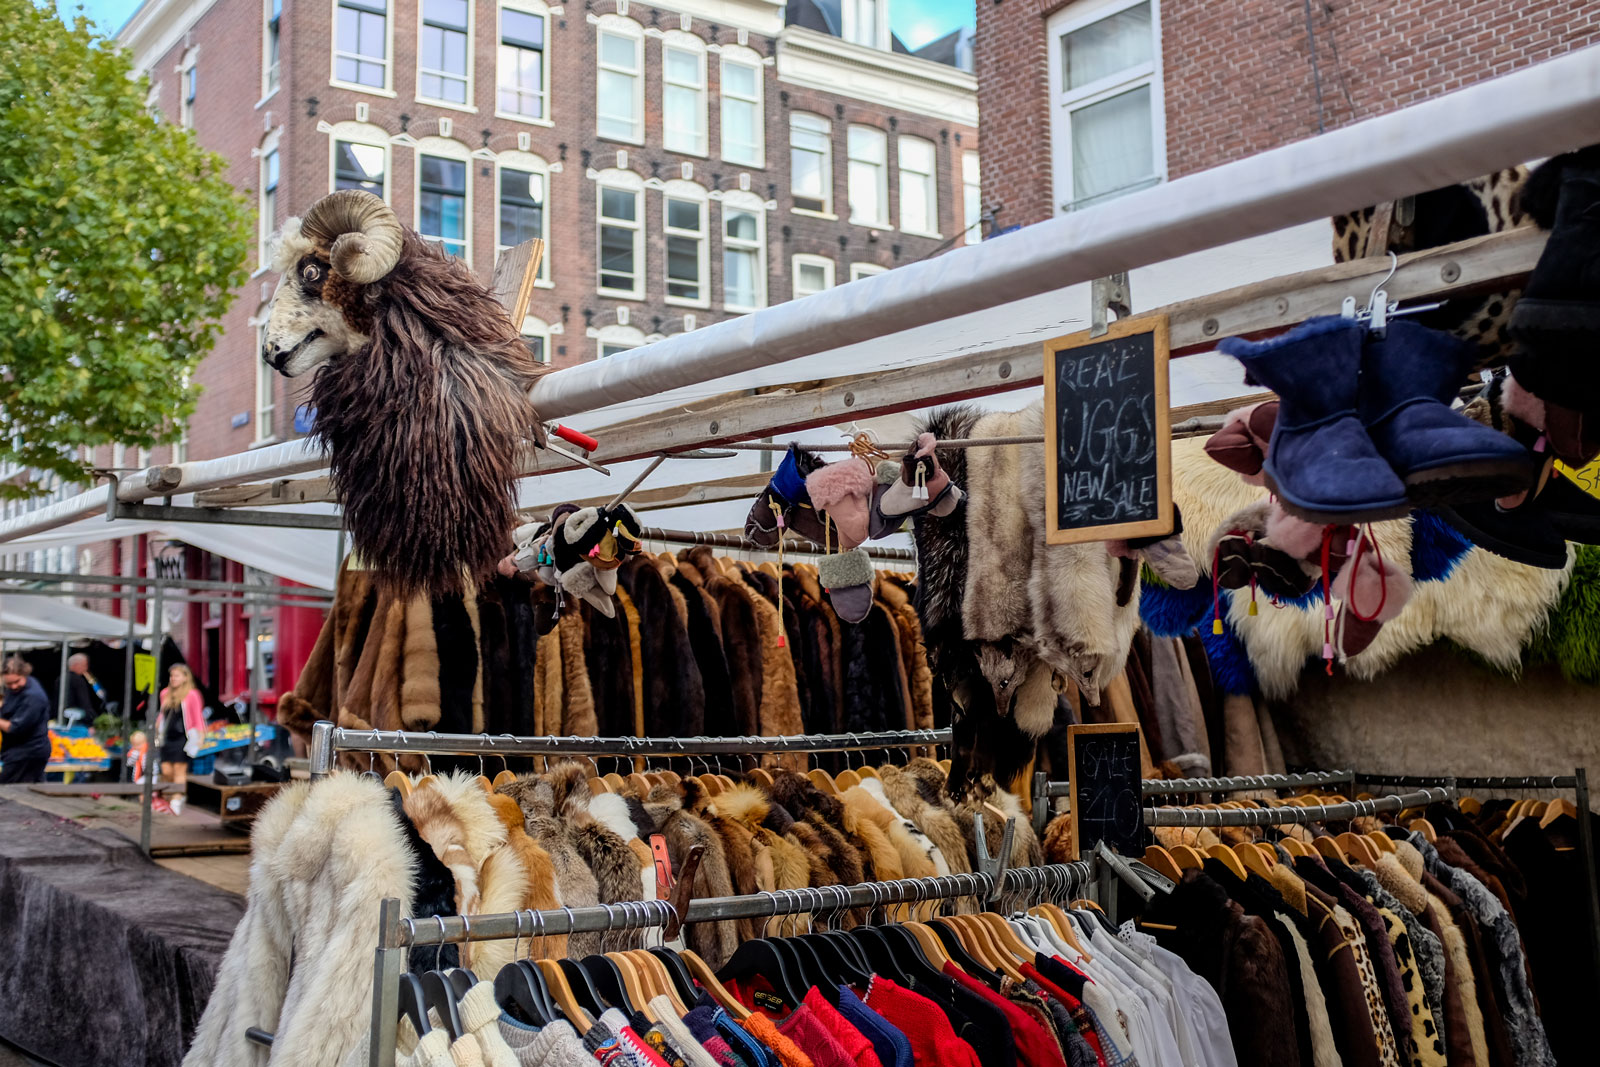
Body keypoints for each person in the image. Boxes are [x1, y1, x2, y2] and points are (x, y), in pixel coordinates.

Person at [155, 664, 206, 811]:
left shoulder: (192, 694)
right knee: (166, 770)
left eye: (177, 676)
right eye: (172, 676)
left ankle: (177, 797)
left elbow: (197, 716)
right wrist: (157, 727)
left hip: (182, 737)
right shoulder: (165, 693)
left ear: (185, 677)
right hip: (167, 736)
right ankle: (170, 794)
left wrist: (200, 736)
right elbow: (162, 714)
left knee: (179, 768)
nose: (173, 679)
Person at [0, 656, 52, 784]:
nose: (13, 686)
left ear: (25, 673)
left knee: (10, 792)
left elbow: (15, 728)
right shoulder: (19, 688)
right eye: (9, 683)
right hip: (17, 751)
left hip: (28, 752)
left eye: (16, 682)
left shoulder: (33, 696)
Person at [63, 653, 106, 722]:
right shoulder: (78, 680)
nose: (86, 668)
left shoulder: (61, 678)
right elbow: (85, 703)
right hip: (78, 720)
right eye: (84, 665)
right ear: (76, 665)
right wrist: (92, 718)